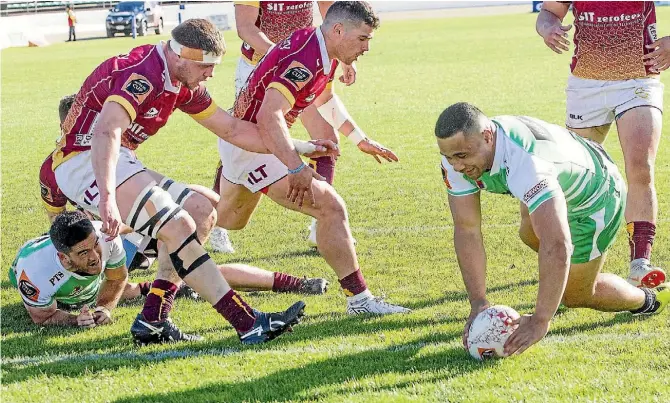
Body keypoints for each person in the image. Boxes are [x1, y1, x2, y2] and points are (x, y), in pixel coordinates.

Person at [51, 19, 338, 345]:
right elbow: (106, 131)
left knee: (201, 210)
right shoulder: (144, 73)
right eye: (206, 66)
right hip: (84, 161)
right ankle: (247, 323)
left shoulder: (181, 83)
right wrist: (106, 199)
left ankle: (154, 318)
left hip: (118, 159)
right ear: (181, 57)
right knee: (178, 225)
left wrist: (299, 147)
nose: (210, 74)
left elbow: (232, 129)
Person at [216, 1, 408, 315]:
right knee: (332, 208)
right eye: (362, 39)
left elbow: (325, 98)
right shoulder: (305, 57)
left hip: (249, 145)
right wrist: (295, 166)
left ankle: (145, 230)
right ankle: (360, 300)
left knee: (225, 219)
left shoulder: (322, 49)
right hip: (252, 148)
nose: (366, 48)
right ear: (338, 30)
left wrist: (360, 139)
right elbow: (269, 116)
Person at [435, 102, 669, 356]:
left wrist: (540, 319)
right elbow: (467, 229)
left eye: (462, 156)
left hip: (595, 195)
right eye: (449, 157)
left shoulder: (528, 164)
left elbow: (556, 244)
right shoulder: (460, 154)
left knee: (575, 295)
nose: (456, 166)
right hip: (561, 175)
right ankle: (574, 269)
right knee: (529, 234)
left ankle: (648, 299)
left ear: (488, 136)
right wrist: (478, 302)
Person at [535, 1, 667, 288]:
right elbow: (548, 13)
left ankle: (640, 264)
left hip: (638, 82)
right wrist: (548, 29)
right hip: (586, 86)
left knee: (641, 168)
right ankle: (567, 255)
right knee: (575, 176)